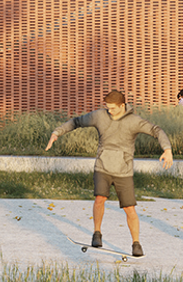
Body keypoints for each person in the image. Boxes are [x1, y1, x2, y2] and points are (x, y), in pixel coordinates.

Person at [44, 87, 174, 256]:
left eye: (113, 108)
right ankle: (97, 233)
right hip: (103, 167)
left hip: (123, 171)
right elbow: (76, 122)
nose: (109, 111)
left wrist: (167, 149)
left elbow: (156, 130)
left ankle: (136, 243)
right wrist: (57, 132)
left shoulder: (134, 121)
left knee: (129, 209)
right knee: (100, 199)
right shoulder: (99, 116)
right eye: (107, 107)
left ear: (122, 105)